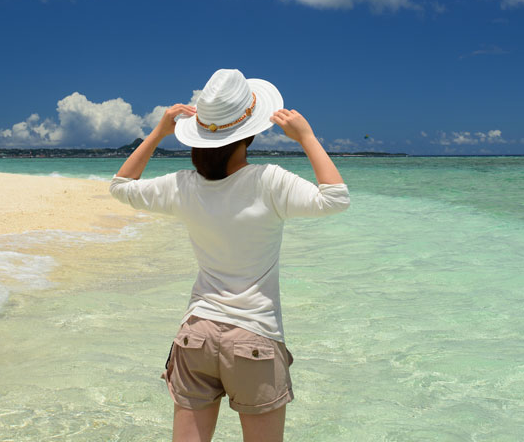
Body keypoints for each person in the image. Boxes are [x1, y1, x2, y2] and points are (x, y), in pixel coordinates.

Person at [110, 68, 350, 442]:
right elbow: (335, 198)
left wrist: (158, 133)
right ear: (250, 132)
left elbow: (122, 187)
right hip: (254, 338)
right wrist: (306, 137)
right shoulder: (269, 181)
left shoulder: (183, 185)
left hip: (195, 334)